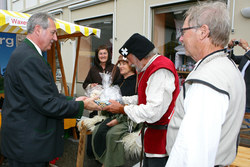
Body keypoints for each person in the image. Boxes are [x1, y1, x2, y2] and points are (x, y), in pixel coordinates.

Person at [1, 12, 101, 167]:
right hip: (29, 147)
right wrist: (82, 105)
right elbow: (47, 103)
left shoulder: (27, 54)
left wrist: (74, 100)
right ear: (38, 29)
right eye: (53, 33)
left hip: (26, 144)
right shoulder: (29, 59)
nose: (55, 38)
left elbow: (46, 95)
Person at [166, 2, 246, 167]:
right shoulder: (226, 67)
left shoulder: (208, 79)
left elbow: (192, 154)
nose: (180, 38)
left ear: (203, 32)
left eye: (184, 31)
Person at [103, 33, 180, 167]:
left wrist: (122, 109)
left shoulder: (160, 70)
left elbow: (153, 110)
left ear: (139, 55)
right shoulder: (149, 68)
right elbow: (144, 97)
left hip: (162, 140)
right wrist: (121, 100)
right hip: (153, 136)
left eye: (130, 58)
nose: (130, 63)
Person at [92, 55, 140, 167]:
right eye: (119, 64)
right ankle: (104, 160)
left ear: (132, 65)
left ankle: (110, 164)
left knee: (112, 134)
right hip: (115, 116)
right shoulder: (118, 82)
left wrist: (118, 120)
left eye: (124, 63)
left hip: (130, 119)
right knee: (98, 130)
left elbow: (135, 105)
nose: (120, 66)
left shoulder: (137, 83)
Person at [82, 45, 120, 157]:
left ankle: (105, 154)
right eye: (100, 54)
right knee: (93, 126)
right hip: (95, 104)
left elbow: (119, 84)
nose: (103, 56)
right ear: (97, 56)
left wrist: (111, 90)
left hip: (109, 105)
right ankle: (92, 152)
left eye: (105, 53)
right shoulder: (93, 69)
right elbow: (85, 84)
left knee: (105, 128)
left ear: (108, 55)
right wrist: (91, 85)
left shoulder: (114, 68)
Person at [228, 39, 250, 127]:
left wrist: (247, 48)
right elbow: (232, 58)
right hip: (240, 97)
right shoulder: (246, 57)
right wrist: (230, 47)